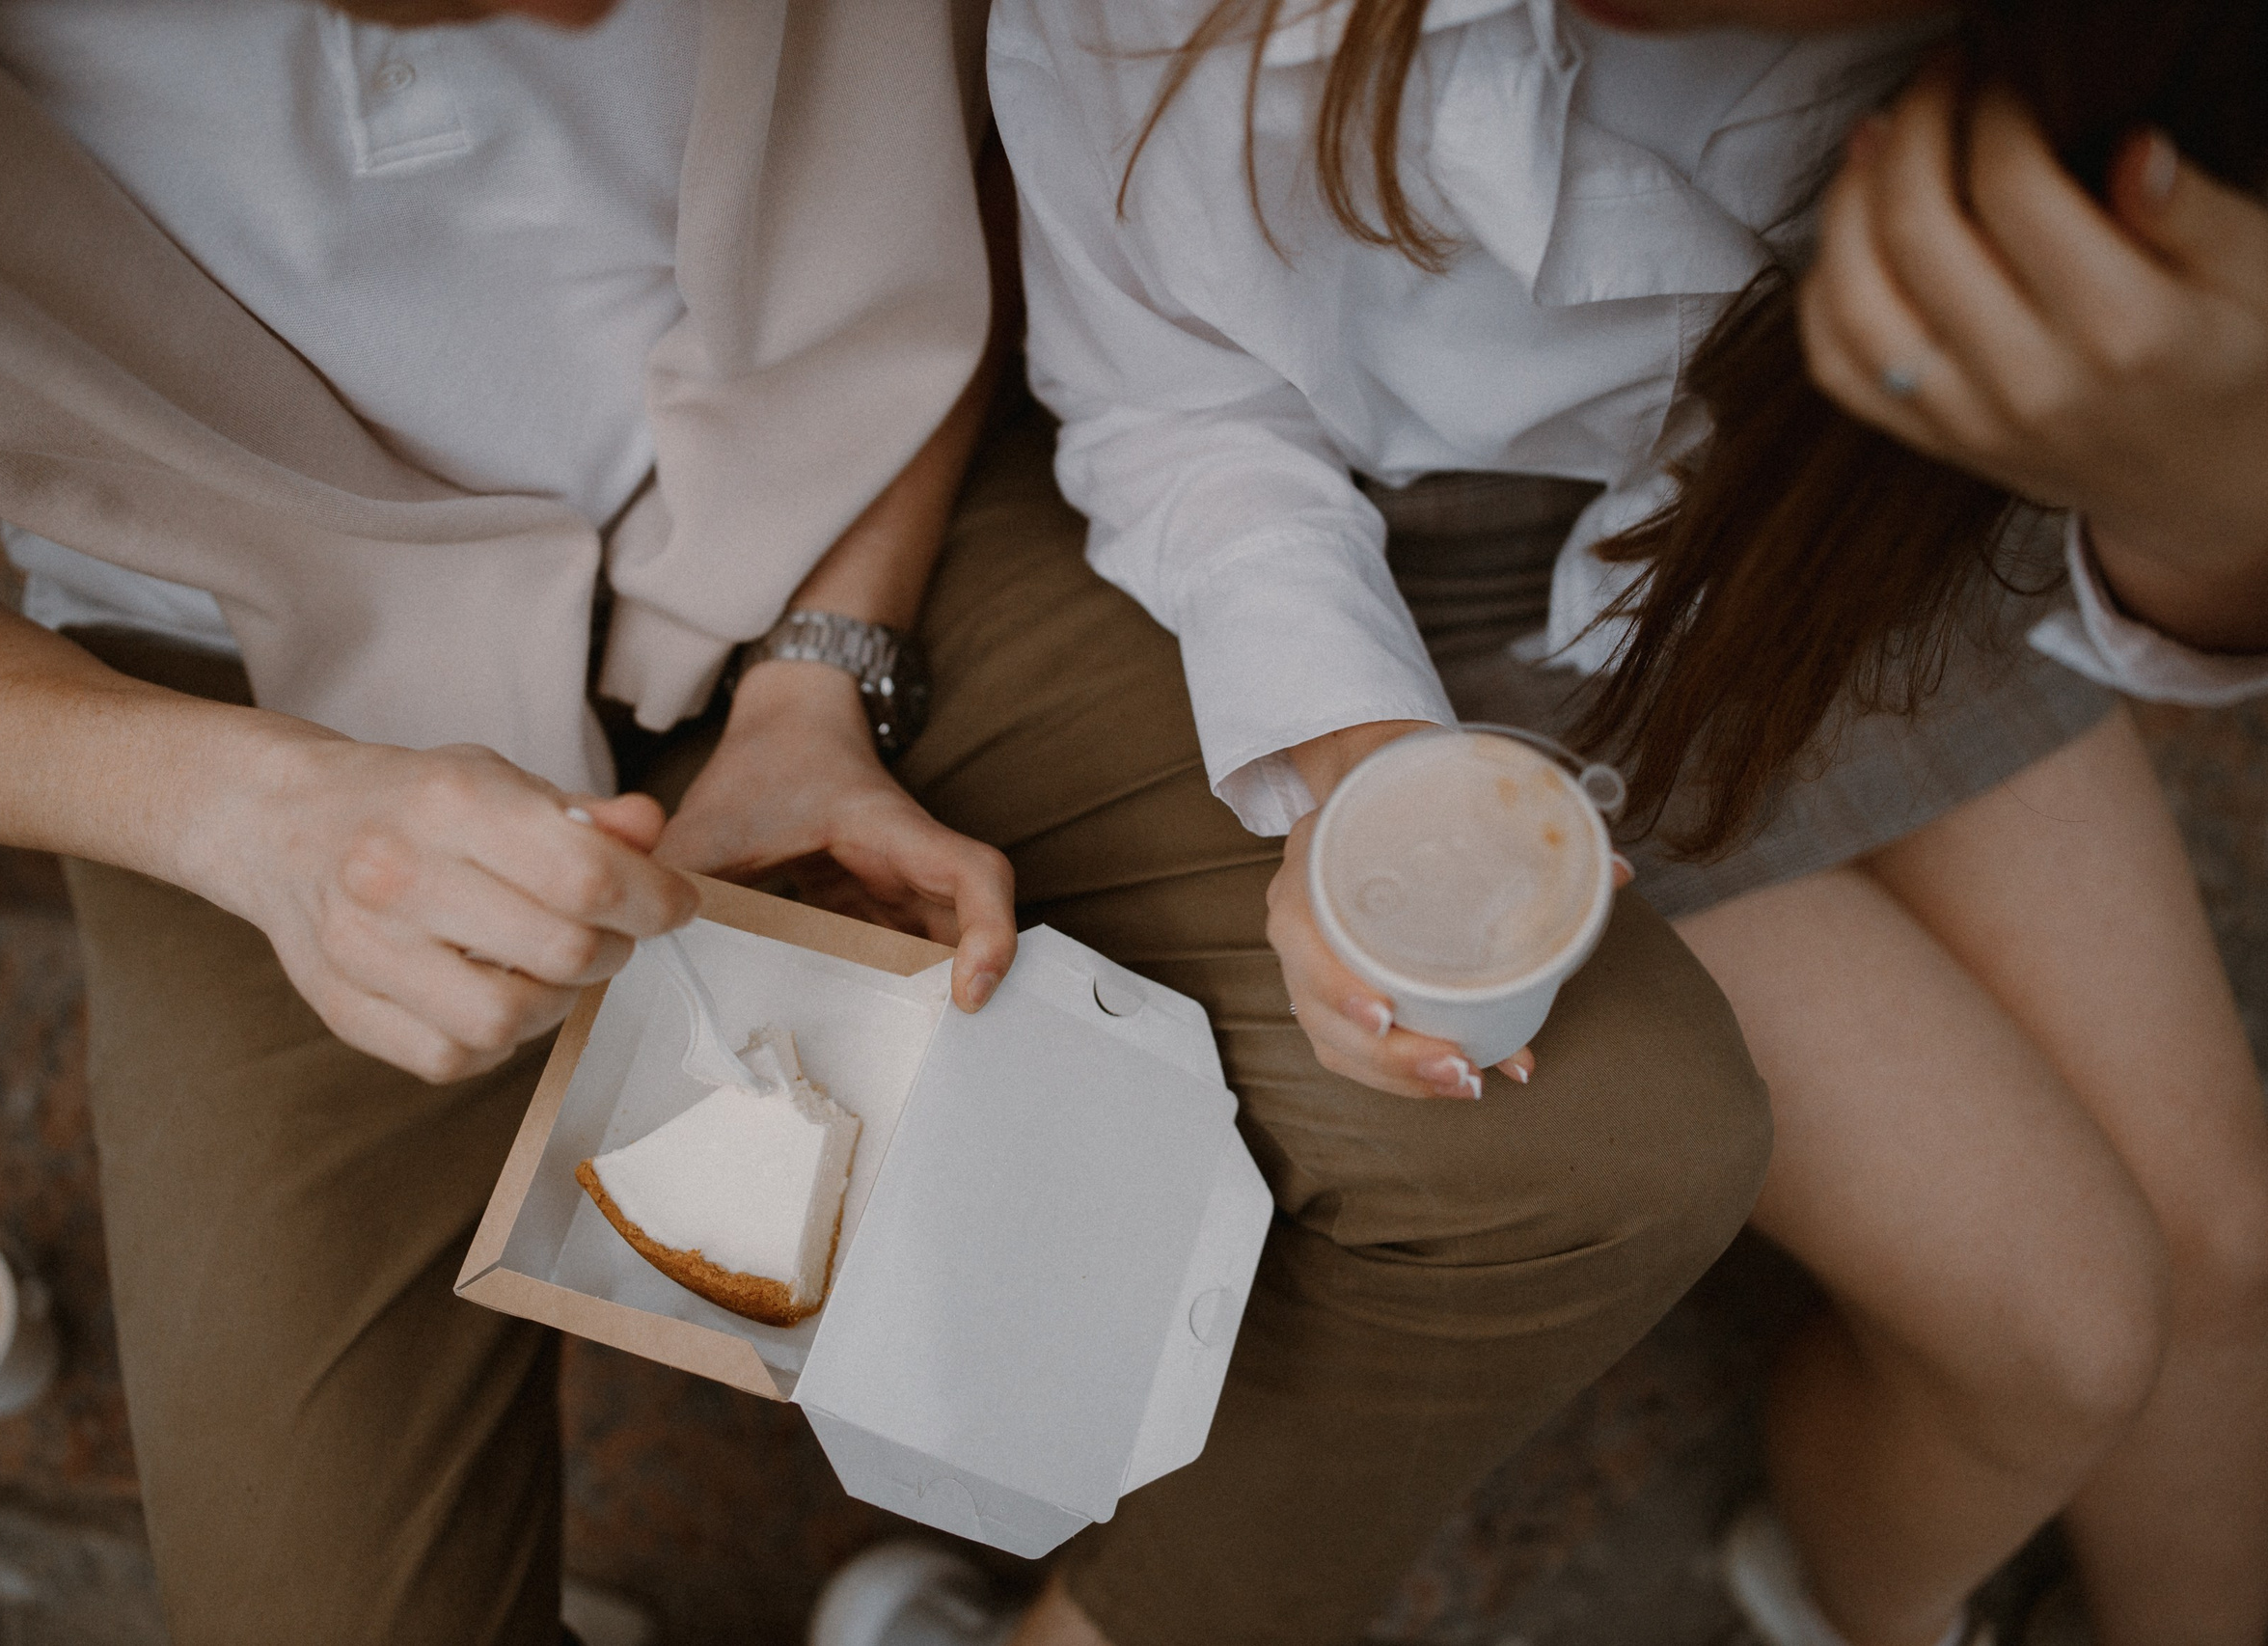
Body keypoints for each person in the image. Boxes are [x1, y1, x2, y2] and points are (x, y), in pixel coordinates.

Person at [0, 0, 1778, 1643]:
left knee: (1605, 1133)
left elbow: (981, 155)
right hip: (229, 694)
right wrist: (260, 819)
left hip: (845, 541)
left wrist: (829, 662)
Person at [825, 2, 2268, 1645]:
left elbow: (2149, 577)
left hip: (1847, 518)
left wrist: (2217, 502)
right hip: (1416, 595)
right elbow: (1179, 408)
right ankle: (1873, 1604)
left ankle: (1890, 1593)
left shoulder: (2136, 79)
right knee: (2069, 1329)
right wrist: (1366, 771)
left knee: (2223, 1258)